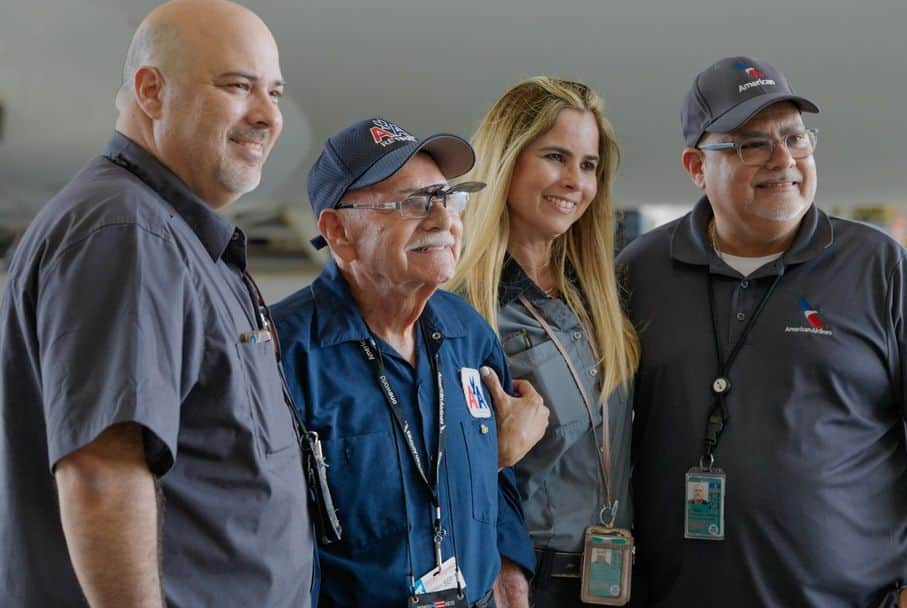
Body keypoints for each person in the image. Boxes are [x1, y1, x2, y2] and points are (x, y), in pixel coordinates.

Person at [617, 56, 907, 608]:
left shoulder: (876, 267)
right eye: (752, 145)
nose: (783, 160)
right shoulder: (641, 271)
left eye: (795, 137)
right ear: (696, 166)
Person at [0, 1, 313, 606]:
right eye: (238, 86)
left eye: (274, 92)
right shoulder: (126, 233)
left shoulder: (174, 236)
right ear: (150, 91)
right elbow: (102, 474)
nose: (268, 116)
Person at [271, 117, 543, 608]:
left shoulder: (469, 333)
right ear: (340, 232)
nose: (444, 220)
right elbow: (266, 539)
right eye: (414, 204)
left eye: (447, 198)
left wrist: (513, 586)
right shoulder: (281, 354)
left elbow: (498, 491)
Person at [450, 77, 640, 607]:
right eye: (556, 156)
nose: (574, 181)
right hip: (525, 580)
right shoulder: (463, 307)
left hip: (616, 577)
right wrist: (499, 450)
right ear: (507, 160)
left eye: (588, 164)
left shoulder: (597, 296)